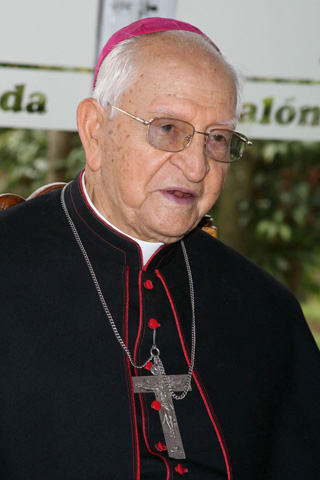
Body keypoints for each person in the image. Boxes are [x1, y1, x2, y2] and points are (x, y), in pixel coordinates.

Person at [0, 17, 319, 480]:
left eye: (218, 139)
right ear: (94, 131)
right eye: (168, 128)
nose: (196, 166)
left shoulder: (268, 311)